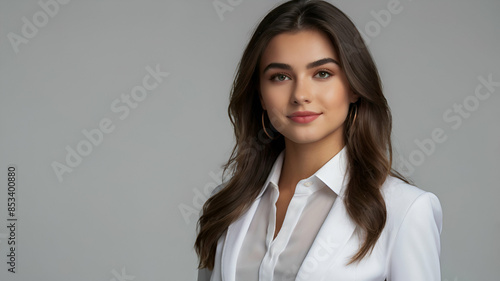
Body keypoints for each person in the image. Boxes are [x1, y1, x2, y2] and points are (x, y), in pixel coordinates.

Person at [194, 0, 443, 280]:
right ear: (260, 95)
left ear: (354, 87)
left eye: (322, 73)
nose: (301, 94)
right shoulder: (228, 203)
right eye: (280, 76)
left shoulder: (405, 210)